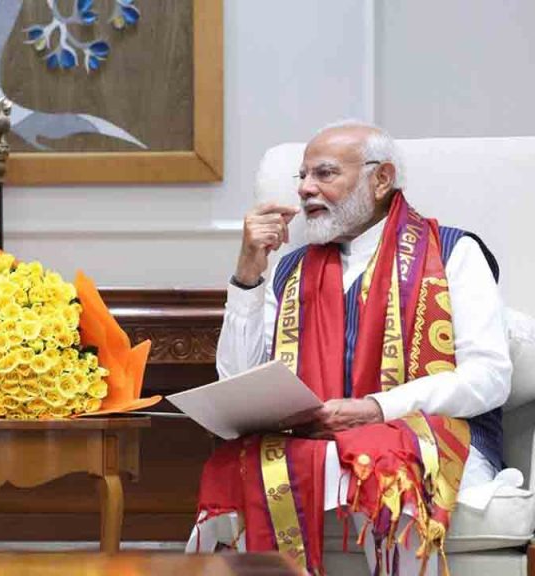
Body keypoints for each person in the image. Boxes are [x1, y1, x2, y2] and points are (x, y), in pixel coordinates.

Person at [189, 120, 511, 574]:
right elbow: (238, 379)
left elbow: (489, 378)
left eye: (323, 174)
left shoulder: (454, 252)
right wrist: (248, 274)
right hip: (316, 440)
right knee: (242, 466)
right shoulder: (289, 269)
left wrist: (377, 409)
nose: (304, 189)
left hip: (431, 437)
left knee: (382, 464)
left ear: (381, 179)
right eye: (300, 177)